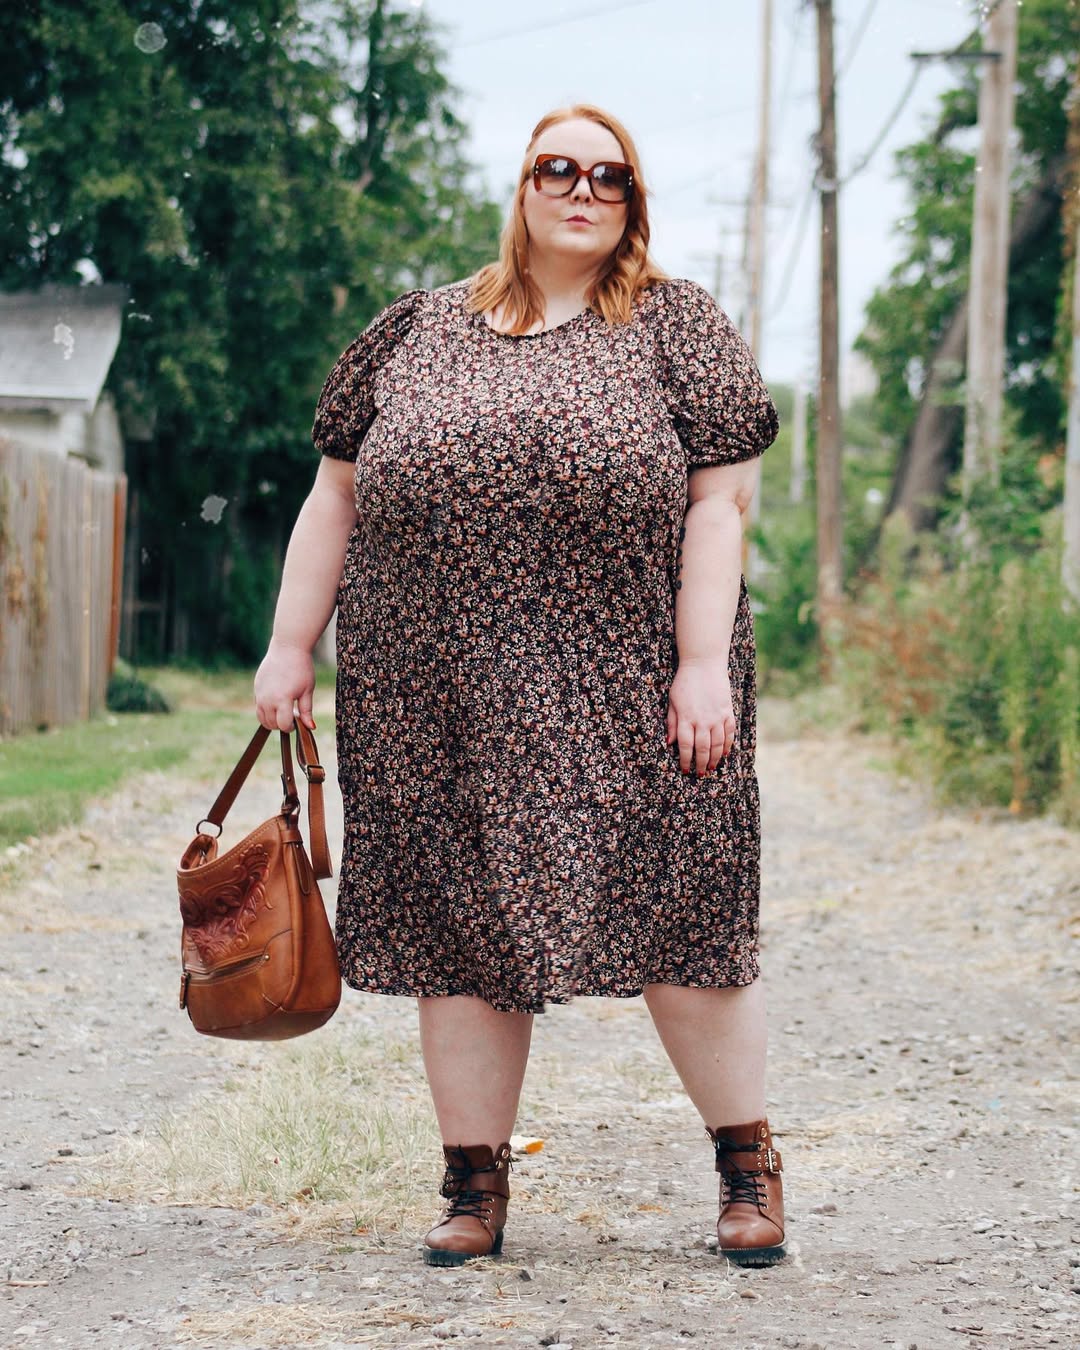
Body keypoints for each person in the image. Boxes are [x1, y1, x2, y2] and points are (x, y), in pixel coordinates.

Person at [254, 103, 784, 1269]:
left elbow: (719, 507)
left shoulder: (675, 327)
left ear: (633, 199)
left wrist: (702, 666)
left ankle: (748, 1168)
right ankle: (471, 1189)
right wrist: (291, 645)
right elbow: (333, 499)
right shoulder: (415, 330)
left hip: (638, 677)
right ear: (526, 185)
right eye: (561, 168)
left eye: (611, 175)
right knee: (461, 926)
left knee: (684, 910)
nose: (584, 189)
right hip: (432, 684)